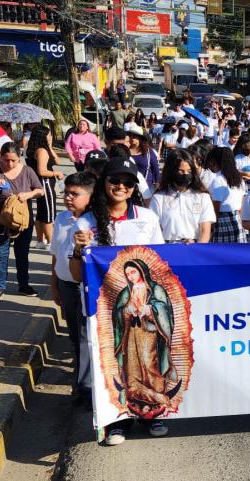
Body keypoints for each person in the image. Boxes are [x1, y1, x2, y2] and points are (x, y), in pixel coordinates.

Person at [69, 157, 166, 445]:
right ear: (104, 183)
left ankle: (152, 412)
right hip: (105, 309)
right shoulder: (87, 222)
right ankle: (118, 420)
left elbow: (159, 264)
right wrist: (77, 251)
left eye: (127, 182)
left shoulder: (146, 218)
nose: (120, 186)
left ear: (134, 187)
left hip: (143, 310)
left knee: (148, 361)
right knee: (114, 362)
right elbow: (77, 275)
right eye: (115, 180)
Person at [0, 142, 45, 300]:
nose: (10, 164)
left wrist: (28, 195)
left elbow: (40, 190)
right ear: (1, 158)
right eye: (6, 160)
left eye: (13, 160)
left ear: (19, 158)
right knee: (0, 253)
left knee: (22, 254)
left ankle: (24, 285)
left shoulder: (27, 171)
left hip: (22, 222)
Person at [50, 172, 96, 407]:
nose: (68, 197)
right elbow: (56, 254)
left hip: (88, 288)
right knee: (75, 337)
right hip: (67, 285)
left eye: (75, 194)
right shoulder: (61, 218)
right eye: (66, 192)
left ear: (89, 196)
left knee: (88, 338)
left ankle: (87, 389)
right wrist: (54, 284)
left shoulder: (95, 222)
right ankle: (80, 382)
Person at [149, 149, 215, 243]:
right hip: (167, 249)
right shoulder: (159, 198)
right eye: (181, 171)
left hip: (194, 247)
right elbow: (154, 229)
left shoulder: (202, 197)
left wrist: (198, 247)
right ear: (171, 172)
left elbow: (205, 230)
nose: (185, 175)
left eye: (189, 171)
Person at [27, 126, 65, 250]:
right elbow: (42, 171)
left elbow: (58, 161)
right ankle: (50, 242)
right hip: (46, 184)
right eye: (48, 135)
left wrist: (49, 146)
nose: (51, 137)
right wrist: (56, 173)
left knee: (41, 213)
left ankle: (40, 240)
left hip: (39, 185)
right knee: (49, 215)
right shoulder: (41, 151)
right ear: (43, 136)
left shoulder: (38, 149)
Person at [206, 147, 247, 243]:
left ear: (216, 162)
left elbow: (215, 207)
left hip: (221, 221)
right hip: (237, 220)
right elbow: (241, 204)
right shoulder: (239, 179)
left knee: (220, 254)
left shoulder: (218, 180)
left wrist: (212, 228)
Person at [127, 124, 160, 190]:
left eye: (134, 136)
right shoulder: (125, 150)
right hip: (129, 186)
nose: (132, 137)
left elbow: (155, 168)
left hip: (147, 187)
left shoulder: (148, 151)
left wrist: (157, 183)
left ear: (140, 138)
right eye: (130, 135)